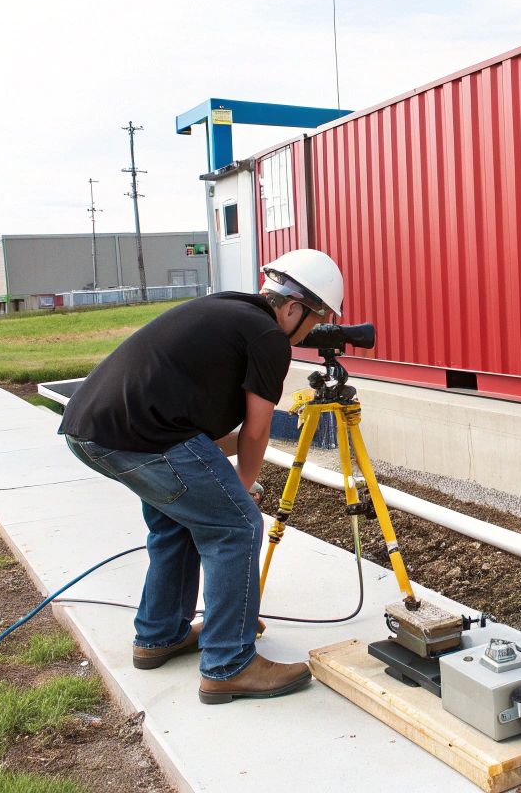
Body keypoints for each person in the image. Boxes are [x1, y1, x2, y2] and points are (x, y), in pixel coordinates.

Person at [60, 248, 346, 704]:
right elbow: (255, 432)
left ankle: (160, 635)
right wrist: (244, 490)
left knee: (180, 522)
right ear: (292, 308)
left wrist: (227, 483)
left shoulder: (225, 309)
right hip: (145, 435)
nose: (306, 335)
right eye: (311, 322)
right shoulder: (268, 336)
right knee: (236, 526)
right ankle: (230, 664)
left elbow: (216, 443)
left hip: (93, 428)